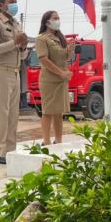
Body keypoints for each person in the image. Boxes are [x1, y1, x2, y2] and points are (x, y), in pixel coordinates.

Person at [0, 0, 28, 164]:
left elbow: (23, 56)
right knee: (2, 114)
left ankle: (10, 151)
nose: (14, 4)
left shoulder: (16, 24)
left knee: (14, 114)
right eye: (11, 2)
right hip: (1, 71)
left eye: (16, 1)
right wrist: (15, 43)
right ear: (1, 5)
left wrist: (23, 46)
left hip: (15, 71)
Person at [35, 11, 75, 145]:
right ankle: (46, 142)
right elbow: (44, 59)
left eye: (58, 18)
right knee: (48, 111)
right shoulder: (42, 38)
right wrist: (61, 73)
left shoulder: (59, 38)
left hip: (61, 80)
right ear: (47, 22)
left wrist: (69, 50)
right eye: (55, 18)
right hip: (50, 80)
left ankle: (58, 140)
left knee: (59, 112)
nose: (58, 20)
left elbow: (64, 58)